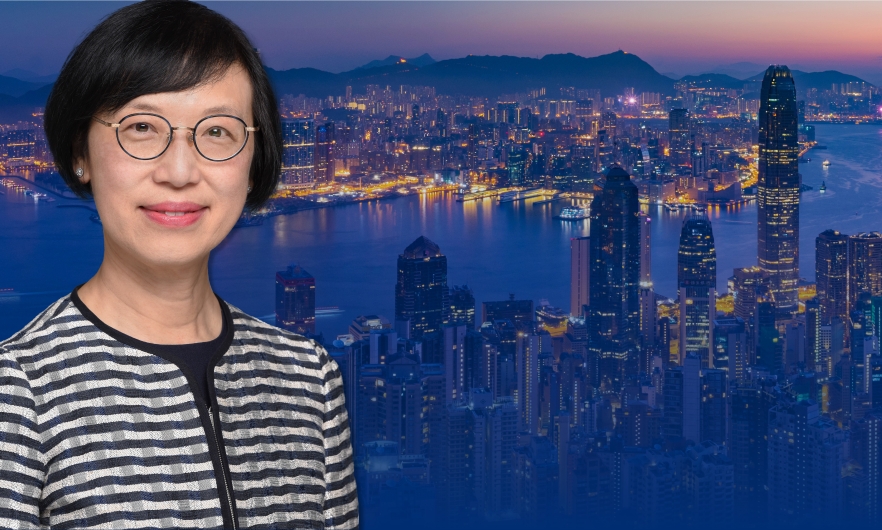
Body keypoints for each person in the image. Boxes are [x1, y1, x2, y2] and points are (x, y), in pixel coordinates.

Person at [0, 1, 358, 528]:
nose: (180, 171)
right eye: (142, 127)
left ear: (254, 164)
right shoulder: (19, 390)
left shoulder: (308, 378)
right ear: (81, 153)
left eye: (217, 132)